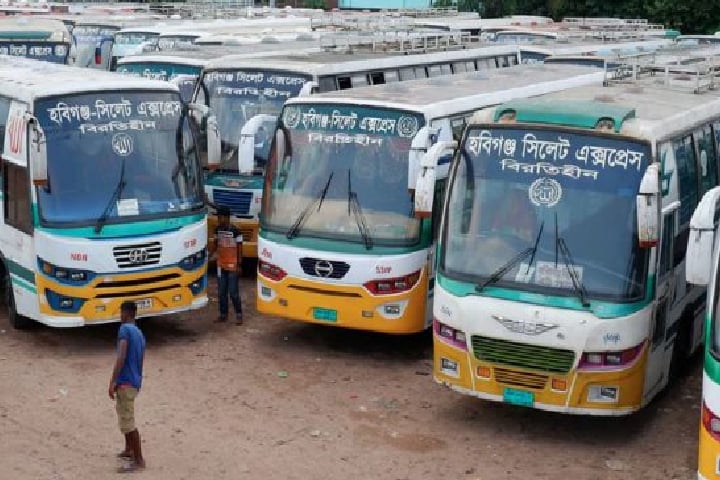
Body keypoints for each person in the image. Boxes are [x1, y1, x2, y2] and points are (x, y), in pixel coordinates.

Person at [108, 300, 146, 473]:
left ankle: (139, 460)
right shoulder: (139, 333)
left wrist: (113, 380)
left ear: (126, 313)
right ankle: (129, 450)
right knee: (124, 414)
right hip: (135, 380)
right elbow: (140, 360)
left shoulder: (124, 330)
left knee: (128, 421)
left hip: (126, 381)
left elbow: (121, 356)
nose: (120, 315)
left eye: (121, 312)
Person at [213, 205, 244, 325]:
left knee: (233, 292)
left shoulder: (236, 231)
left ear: (227, 218)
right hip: (221, 265)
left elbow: (240, 249)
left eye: (221, 217)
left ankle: (239, 314)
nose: (219, 220)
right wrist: (208, 256)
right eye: (218, 218)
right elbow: (215, 245)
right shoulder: (217, 230)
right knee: (221, 292)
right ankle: (223, 314)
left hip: (233, 266)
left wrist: (240, 265)